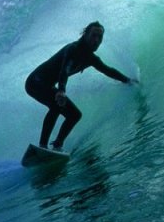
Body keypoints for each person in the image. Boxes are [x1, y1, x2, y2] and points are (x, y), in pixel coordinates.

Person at [25, 21, 136, 151]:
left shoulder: (91, 58)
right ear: (85, 34)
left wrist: (128, 80)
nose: (96, 40)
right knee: (56, 105)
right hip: (35, 82)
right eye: (93, 35)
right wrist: (61, 90)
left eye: (99, 37)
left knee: (74, 115)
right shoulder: (73, 49)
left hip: (47, 85)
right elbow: (64, 70)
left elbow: (108, 70)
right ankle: (42, 146)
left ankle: (57, 146)